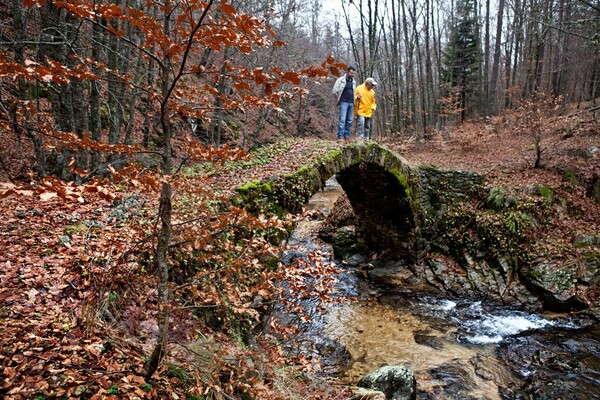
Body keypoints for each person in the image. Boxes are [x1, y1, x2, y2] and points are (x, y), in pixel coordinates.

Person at [332, 66, 357, 141]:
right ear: (347, 72)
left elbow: (354, 92)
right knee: (342, 120)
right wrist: (339, 99)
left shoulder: (353, 82)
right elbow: (334, 91)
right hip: (343, 102)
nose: (352, 75)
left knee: (349, 120)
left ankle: (347, 136)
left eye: (354, 73)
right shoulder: (340, 80)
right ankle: (340, 136)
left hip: (351, 103)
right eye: (351, 73)